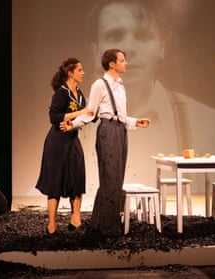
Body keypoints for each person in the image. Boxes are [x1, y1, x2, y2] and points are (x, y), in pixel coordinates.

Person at [82, 0, 215, 192]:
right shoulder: (85, 117)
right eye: (115, 35)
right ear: (96, 52)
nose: (128, 48)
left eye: (142, 35)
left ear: (162, 47)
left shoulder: (206, 120)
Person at [62, 49, 151, 236]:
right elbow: (91, 112)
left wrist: (135, 122)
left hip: (120, 130)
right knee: (110, 178)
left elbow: (120, 115)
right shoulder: (99, 85)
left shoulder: (121, 86)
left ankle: (97, 223)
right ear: (112, 63)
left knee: (115, 179)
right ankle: (109, 229)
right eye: (122, 60)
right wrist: (74, 125)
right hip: (108, 132)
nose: (126, 63)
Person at [35, 58, 91, 235]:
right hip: (58, 142)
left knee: (78, 176)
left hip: (73, 140)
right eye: (80, 70)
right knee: (55, 181)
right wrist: (79, 113)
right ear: (70, 73)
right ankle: (51, 223)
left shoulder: (80, 93)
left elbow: (88, 114)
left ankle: (76, 216)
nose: (83, 73)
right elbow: (54, 117)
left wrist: (87, 115)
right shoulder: (61, 92)